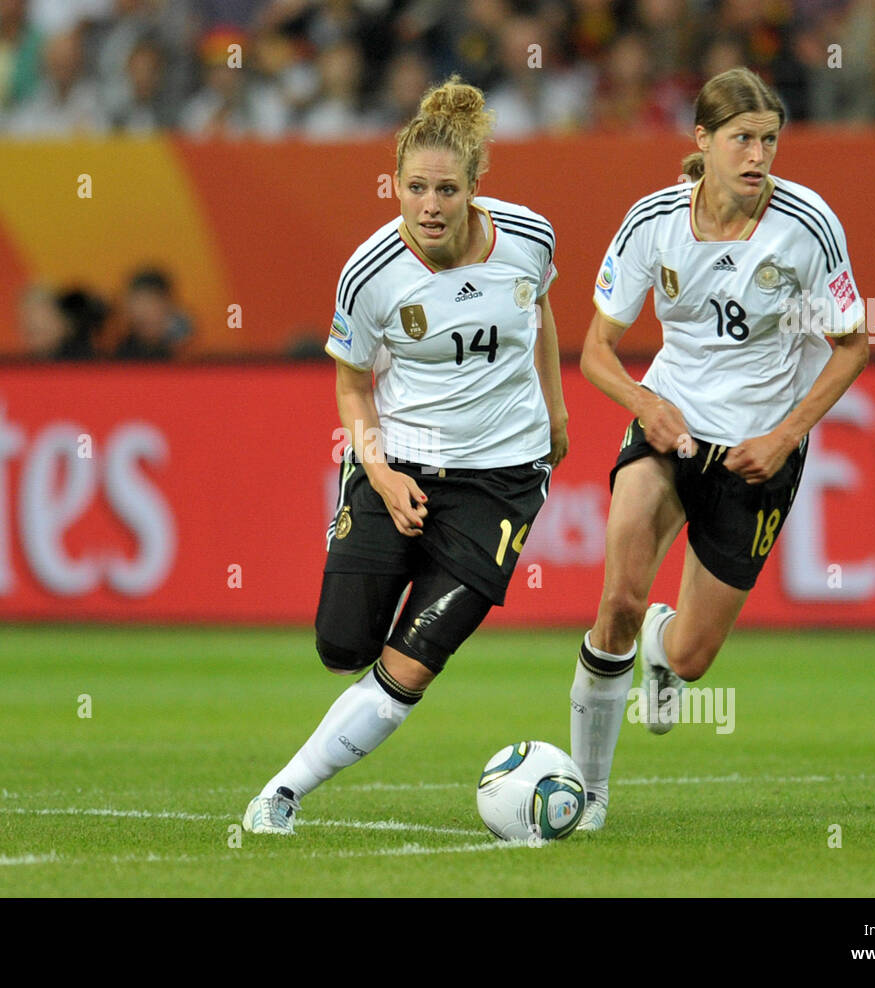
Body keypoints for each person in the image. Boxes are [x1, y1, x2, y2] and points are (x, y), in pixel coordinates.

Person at [242, 76, 570, 835]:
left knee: (412, 661)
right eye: (414, 187)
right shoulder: (368, 274)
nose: (429, 205)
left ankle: (280, 795)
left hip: (503, 483)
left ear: (474, 188)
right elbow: (353, 386)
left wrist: (554, 407)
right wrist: (382, 473)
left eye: (446, 189)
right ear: (393, 185)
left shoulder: (528, 237)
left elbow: (542, 308)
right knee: (340, 646)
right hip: (400, 467)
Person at [568, 66, 869, 831]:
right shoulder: (653, 223)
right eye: (742, 139)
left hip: (759, 451)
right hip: (670, 429)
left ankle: (667, 647)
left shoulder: (809, 226)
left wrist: (784, 435)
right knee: (616, 604)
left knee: (693, 657)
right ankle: (590, 793)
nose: (759, 155)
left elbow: (852, 346)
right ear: (701, 141)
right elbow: (596, 349)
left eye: (769, 139)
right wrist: (647, 405)